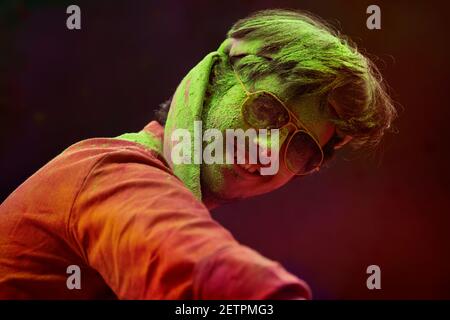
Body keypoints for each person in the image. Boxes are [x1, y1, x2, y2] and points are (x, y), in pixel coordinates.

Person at [0, 9, 396, 299]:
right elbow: (204, 275)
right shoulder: (111, 171)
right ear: (211, 82)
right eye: (266, 110)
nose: (270, 152)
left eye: (302, 147)